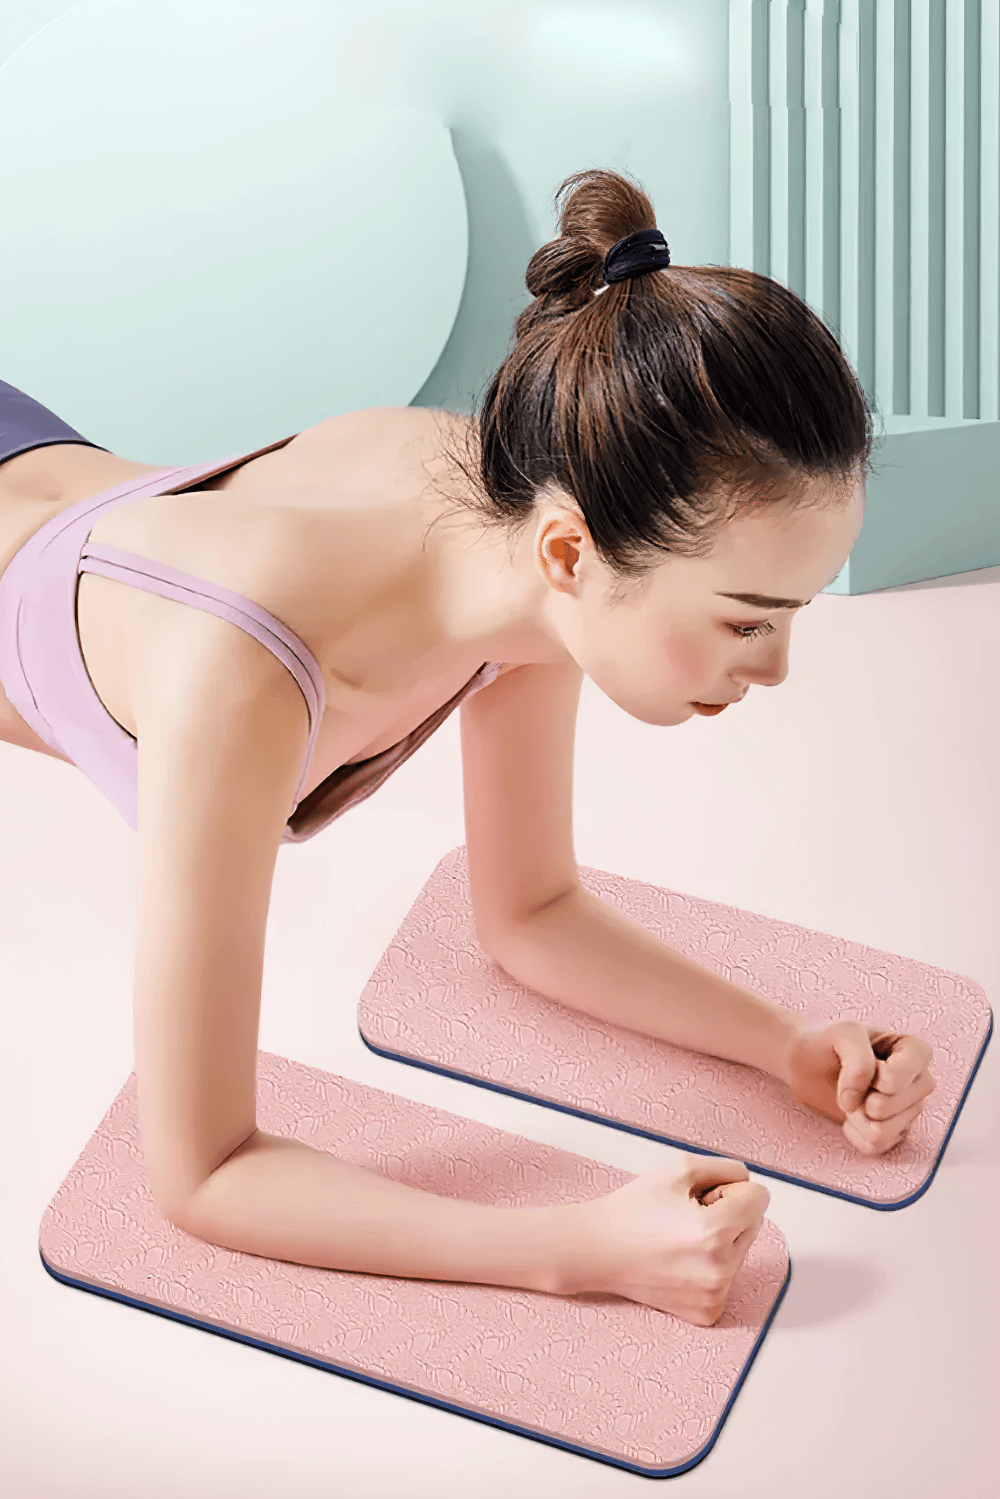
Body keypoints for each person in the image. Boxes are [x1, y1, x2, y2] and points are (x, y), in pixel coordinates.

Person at [0, 170, 934, 1329]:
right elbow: (199, 1170)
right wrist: (578, 1244)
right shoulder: (239, 674)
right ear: (568, 551)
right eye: (746, 618)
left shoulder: (522, 532)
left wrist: (784, 1046)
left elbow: (530, 912)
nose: (777, 667)